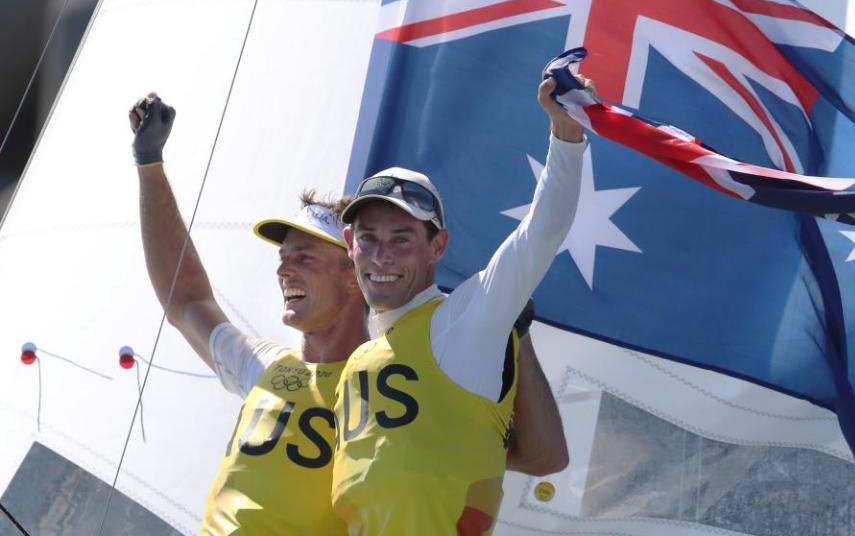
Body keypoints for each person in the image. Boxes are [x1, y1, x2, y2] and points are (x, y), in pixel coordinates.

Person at [128, 93, 568, 535]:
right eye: (283, 256)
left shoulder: (423, 362)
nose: (284, 268)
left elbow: (540, 455)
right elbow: (185, 301)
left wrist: (513, 333)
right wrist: (149, 164)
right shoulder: (266, 366)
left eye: (304, 257)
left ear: (349, 273)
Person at [332, 73, 588, 535]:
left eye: (402, 239)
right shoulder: (359, 362)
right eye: (368, 239)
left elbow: (541, 231)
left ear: (438, 246)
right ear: (349, 244)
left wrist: (566, 134)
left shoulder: (466, 320)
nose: (382, 256)